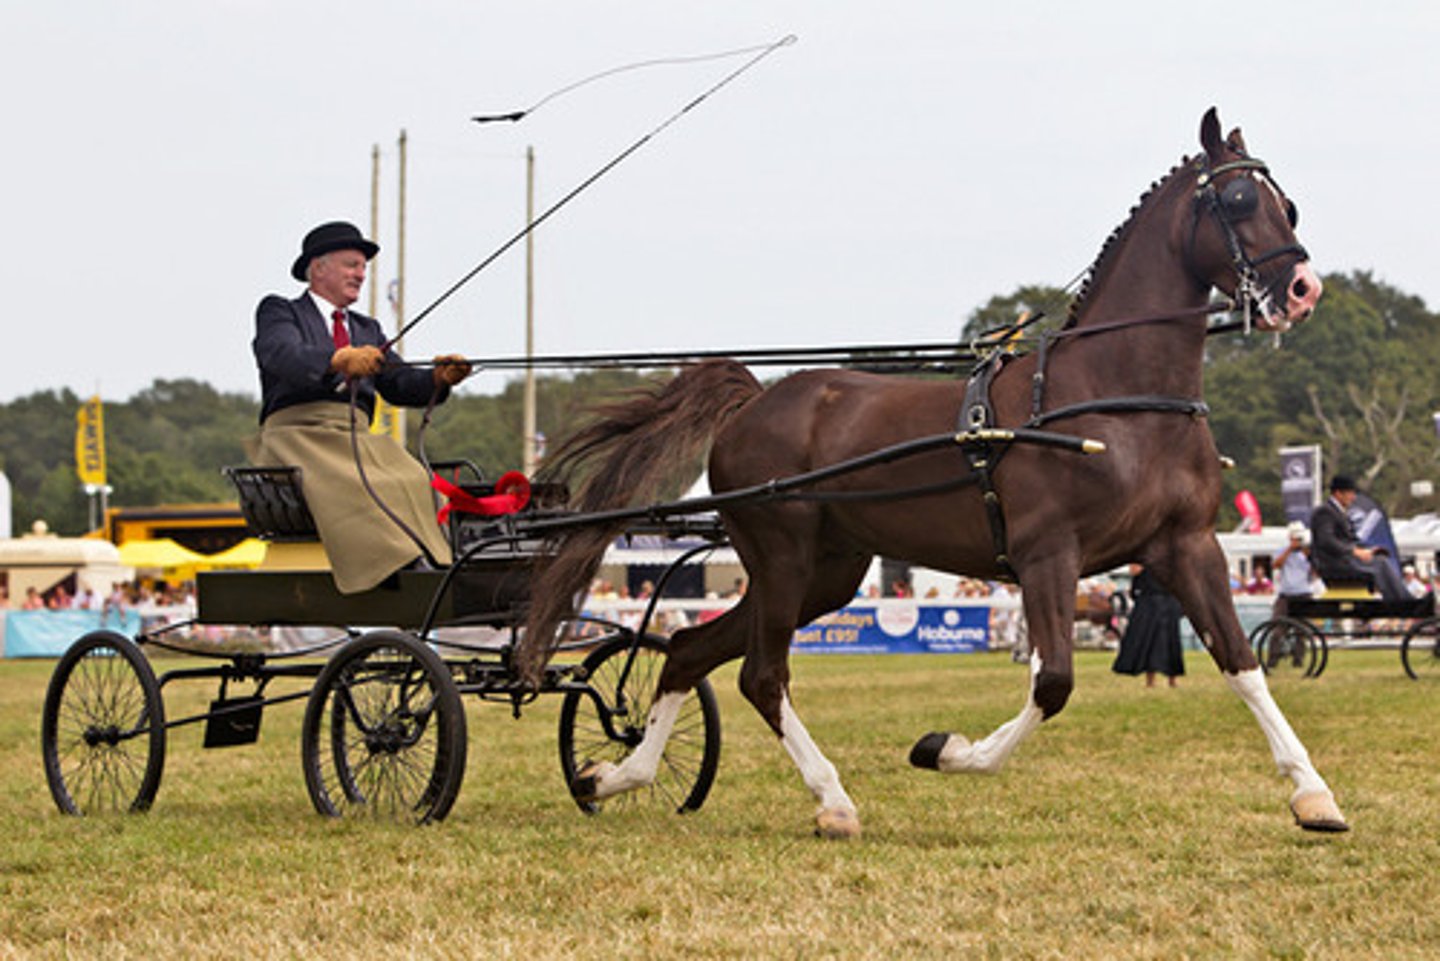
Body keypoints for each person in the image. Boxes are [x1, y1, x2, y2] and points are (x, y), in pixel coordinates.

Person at [250, 221, 471, 594]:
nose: (361, 274)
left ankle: (435, 559)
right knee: (355, 480)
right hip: (298, 434)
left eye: (363, 268)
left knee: (413, 477)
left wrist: (438, 378)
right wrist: (338, 359)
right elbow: (281, 354)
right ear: (318, 268)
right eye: (352, 265)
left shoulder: (367, 329)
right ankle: (393, 566)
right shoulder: (280, 311)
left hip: (354, 435)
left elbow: (400, 383)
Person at [1309, 475, 1407, 602]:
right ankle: (1402, 601)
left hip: (1345, 561)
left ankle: (1399, 599)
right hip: (1333, 565)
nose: (1353, 498)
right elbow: (1327, 540)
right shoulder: (1325, 512)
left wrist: (1369, 550)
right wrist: (1354, 551)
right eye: (1350, 493)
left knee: (1380, 559)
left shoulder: (1340, 513)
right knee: (1380, 564)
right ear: (1338, 493)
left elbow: (1351, 540)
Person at [1112, 564, 1185, 687]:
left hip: (1151, 603)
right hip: (1166, 601)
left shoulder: (1142, 561)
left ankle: (1152, 681)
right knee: (1169, 642)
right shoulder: (1172, 561)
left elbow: (1134, 588)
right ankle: (1171, 680)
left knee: (1151, 642)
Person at [1272, 521, 1315, 617]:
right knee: (1278, 625)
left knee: (1303, 626)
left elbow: (1315, 571)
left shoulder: (1307, 552)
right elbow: (1276, 565)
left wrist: (1308, 554)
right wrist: (1290, 549)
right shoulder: (1283, 551)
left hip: (1303, 593)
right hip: (1285, 594)